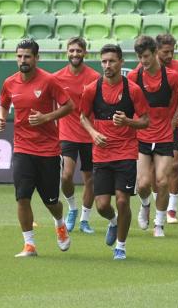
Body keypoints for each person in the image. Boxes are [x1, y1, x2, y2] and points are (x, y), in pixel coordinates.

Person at [0, 39, 74, 258]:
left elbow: (69, 105)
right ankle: (29, 244)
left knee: (51, 201)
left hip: (48, 150)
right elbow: (3, 103)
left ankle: (60, 223)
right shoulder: (9, 82)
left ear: (36, 58)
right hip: (22, 148)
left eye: (27, 56)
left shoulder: (49, 81)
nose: (23, 60)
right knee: (22, 198)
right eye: (20, 56)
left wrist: (46, 117)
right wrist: (1, 118)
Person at [79, 44, 150, 260]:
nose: (107, 65)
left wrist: (128, 121)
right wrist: (92, 133)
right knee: (102, 206)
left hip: (126, 153)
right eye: (104, 61)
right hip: (101, 154)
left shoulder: (133, 90)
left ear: (121, 63)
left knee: (122, 200)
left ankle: (121, 246)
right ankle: (114, 221)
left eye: (111, 61)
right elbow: (82, 117)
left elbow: (146, 120)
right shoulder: (92, 89)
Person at [128, 36, 178, 237]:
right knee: (142, 184)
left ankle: (159, 224)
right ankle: (145, 205)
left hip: (164, 136)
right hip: (142, 136)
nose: (143, 60)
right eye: (139, 56)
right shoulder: (134, 77)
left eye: (146, 56)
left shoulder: (171, 77)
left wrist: (174, 120)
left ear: (154, 54)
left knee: (162, 181)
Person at [53, 37, 100, 235]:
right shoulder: (56, 77)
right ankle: (72, 208)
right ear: (66, 52)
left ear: (85, 53)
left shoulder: (95, 77)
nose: (75, 54)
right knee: (66, 176)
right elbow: (52, 104)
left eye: (78, 51)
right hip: (67, 133)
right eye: (71, 50)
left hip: (90, 134)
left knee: (90, 178)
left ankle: (85, 220)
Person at [155, 34, 178, 224]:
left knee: (174, 165)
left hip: (174, 124)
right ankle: (156, 203)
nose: (170, 55)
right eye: (165, 52)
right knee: (154, 171)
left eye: (172, 51)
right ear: (156, 51)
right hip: (152, 126)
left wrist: (176, 118)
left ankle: (172, 210)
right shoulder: (145, 68)